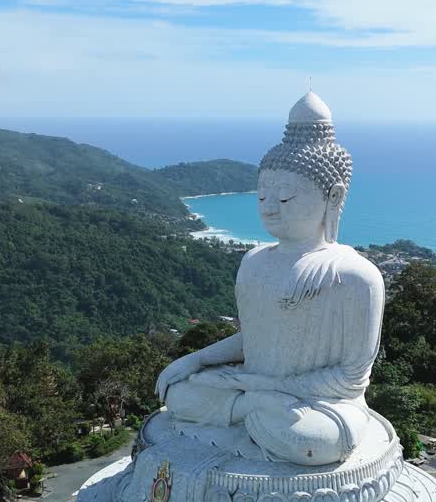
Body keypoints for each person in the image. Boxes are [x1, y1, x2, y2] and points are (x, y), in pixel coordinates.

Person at [154, 93, 384, 468]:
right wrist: (196, 359)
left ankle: (246, 411)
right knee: (177, 393)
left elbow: (351, 377)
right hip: (256, 391)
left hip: (317, 404)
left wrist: (264, 387)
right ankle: (250, 411)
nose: (269, 206)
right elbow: (255, 338)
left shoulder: (356, 276)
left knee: (315, 441)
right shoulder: (254, 261)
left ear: (334, 195)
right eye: (262, 196)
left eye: (286, 197)